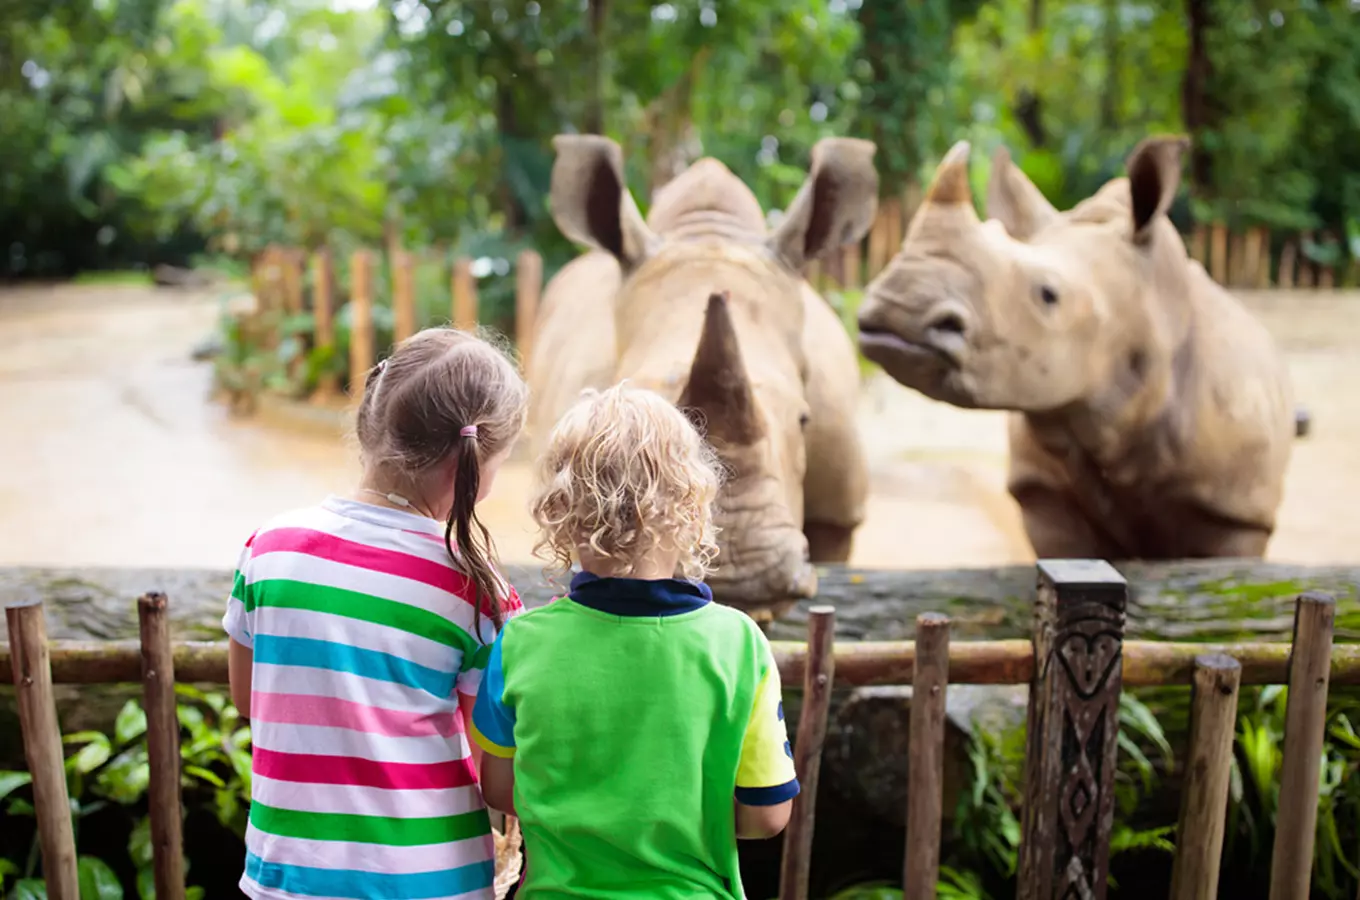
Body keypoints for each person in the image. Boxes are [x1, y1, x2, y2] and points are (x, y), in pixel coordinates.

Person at [223, 326, 528, 900]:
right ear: (472, 465)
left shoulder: (269, 546)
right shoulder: (475, 584)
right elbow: (491, 762)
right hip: (432, 881)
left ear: (370, 419)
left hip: (287, 877)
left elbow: (248, 697)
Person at [471, 382, 799, 899]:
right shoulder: (738, 644)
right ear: (692, 506)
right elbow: (767, 816)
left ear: (561, 512)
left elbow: (499, 788)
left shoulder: (521, 643)